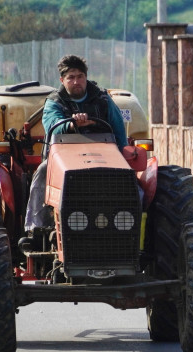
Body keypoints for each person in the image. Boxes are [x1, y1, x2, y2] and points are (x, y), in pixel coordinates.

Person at [25, 54, 129, 231]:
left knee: (129, 177)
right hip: (64, 152)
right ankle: (36, 228)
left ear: (86, 77)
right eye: (71, 78)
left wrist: (124, 153)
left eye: (80, 76)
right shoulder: (54, 102)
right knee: (43, 171)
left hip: (103, 152)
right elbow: (52, 128)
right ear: (62, 80)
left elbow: (118, 129)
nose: (76, 81)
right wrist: (71, 124)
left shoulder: (103, 99)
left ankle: (128, 223)